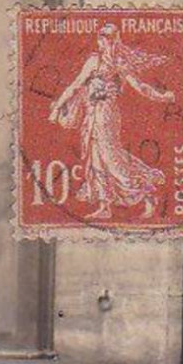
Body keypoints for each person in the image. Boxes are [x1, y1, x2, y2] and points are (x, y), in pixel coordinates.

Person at [48, 23, 175, 220]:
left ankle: (148, 192)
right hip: (91, 114)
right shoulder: (93, 61)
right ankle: (105, 205)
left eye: (108, 38)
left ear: (115, 40)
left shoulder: (118, 63)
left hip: (107, 115)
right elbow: (75, 85)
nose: (104, 42)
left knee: (111, 157)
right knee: (95, 157)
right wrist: (58, 106)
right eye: (102, 37)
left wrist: (162, 96)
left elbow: (140, 86)